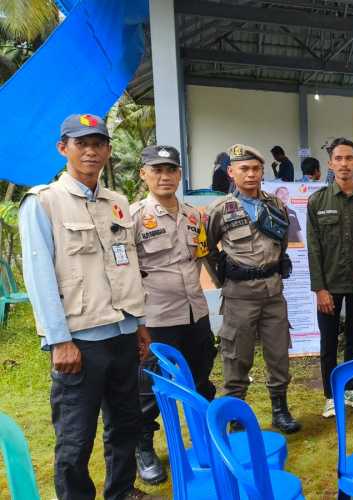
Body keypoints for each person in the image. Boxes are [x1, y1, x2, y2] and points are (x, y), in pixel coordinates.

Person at [20, 114, 153, 500]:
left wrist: (140, 323)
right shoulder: (44, 202)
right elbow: (39, 277)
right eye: (82, 143)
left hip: (123, 334)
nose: (91, 151)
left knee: (126, 423)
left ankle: (122, 490)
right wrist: (59, 340)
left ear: (109, 151)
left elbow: (126, 267)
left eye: (99, 144)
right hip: (80, 342)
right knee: (76, 439)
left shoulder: (117, 203)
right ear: (64, 149)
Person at [130, 145, 218, 484]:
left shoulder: (194, 215)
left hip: (195, 311)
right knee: (149, 386)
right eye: (157, 170)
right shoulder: (133, 217)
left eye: (170, 170)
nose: (164, 176)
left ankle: (206, 437)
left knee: (201, 378)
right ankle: (144, 448)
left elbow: (199, 260)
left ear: (180, 174)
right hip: (156, 318)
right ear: (144, 174)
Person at [205, 143, 302, 434]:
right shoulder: (219, 209)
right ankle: (235, 416)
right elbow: (207, 250)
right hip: (239, 296)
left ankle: (280, 409)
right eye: (243, 169)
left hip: (273, 294)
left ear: (262, 172)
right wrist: (225, 279)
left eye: (256, 169)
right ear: (231, 173)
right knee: (236, 358)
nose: (250, 174)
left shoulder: (276, 205)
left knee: (278, 355)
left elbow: (282, 244)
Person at [307, 138, 353, 418]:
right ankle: (329, 395)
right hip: (330, 285)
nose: (344, 164)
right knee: (328, 343)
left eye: (349, 158)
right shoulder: (317, 201)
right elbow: (313, 248)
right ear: (331, 163)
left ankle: (350, 389)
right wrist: (319, 289)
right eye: (339, 159)